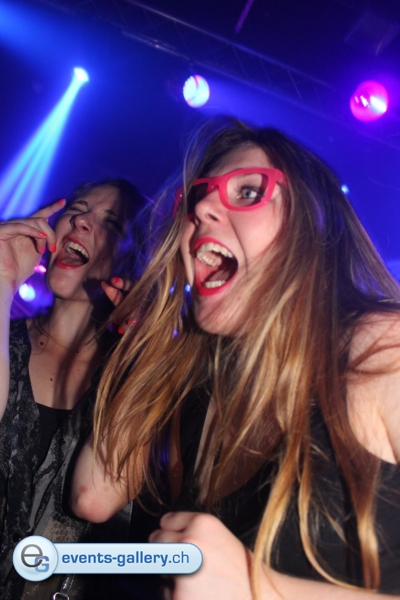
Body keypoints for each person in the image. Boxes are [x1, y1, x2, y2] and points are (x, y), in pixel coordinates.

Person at [72, 118, 400, 599]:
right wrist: (146, 340)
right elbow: (93, 496)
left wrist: (260, 589)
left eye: (248, 191)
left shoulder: (381, 350)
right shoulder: (205, 385)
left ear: (312, 223)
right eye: (197, 197)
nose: (201, 208)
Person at [0, 179, 147, 599]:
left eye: (111, 223)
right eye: (76, 209)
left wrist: (142, 351)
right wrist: (2, 279)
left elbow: (93, 498)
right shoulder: (5, 335)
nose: (80, 221)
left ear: (134, 264)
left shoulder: (139, 380)